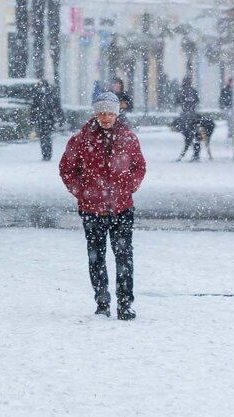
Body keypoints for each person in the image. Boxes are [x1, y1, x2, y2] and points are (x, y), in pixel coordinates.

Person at [59, 91, 147, 320]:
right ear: (96, 114)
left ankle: (125, 303)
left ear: (117, 113)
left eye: (110, 112)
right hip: (92, 209)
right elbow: (66, 169)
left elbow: (139, 167)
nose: (106, 117)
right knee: (96, 257)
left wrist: (128, 187)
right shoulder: (81, 139)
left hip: (122, 207)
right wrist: (82, 192)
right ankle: (102, 301)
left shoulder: (128, 138)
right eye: (102, 113)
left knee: (124, 256)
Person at [30, 79, 62, 161]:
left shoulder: (38, 95)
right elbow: (57, 107)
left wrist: (33, 119)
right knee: (46, 136)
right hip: (48, 119)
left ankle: (46, 154)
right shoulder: (50, 94)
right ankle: (47, 153)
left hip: (44, 119)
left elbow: (33, 108)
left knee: (44, 136)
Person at [175, 76, 202, 161]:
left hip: (185, 117)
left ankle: (188, 152)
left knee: (188, 136)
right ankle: (196, 153)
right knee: (196, 135)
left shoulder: (181, 91)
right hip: (193, 116)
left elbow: (177, 102)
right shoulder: (193, 91)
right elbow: (197, 101)